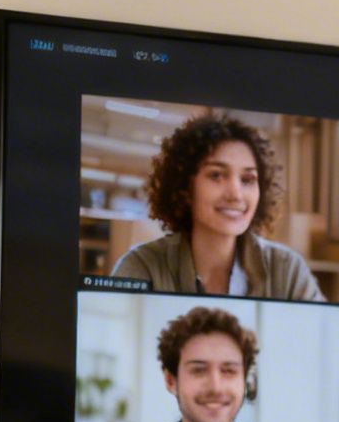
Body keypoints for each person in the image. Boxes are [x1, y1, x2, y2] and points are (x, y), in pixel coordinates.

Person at [111, 111, 322, 301]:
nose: (235, 194)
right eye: (216, 175)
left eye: (247, 179)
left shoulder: (287, 271)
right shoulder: (141, 267)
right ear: (185, 187)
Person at [105, 306, 310, 422]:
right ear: (171, 381)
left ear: (244, 381)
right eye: (199, 370)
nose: (216, 387)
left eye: (229, 370)